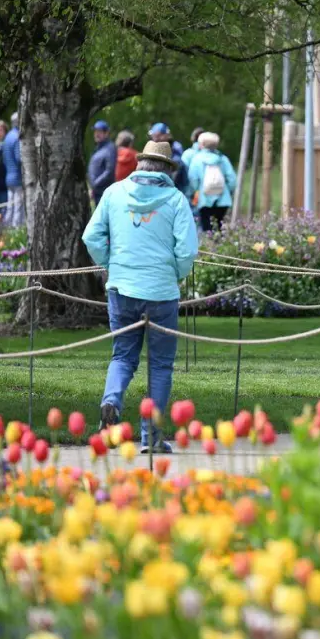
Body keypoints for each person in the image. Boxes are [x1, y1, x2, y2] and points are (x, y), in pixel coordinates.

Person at [86, 140, 199, 451]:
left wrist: (109, 263)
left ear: (140, 165)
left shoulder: (113, 193)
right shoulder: (175, 200)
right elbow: (187, 250)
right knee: (160, 365)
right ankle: (152, 438)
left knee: (123, 356)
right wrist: (176, 272)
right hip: (162, 293)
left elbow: (91, 236)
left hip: (121, 289)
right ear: (166, 170)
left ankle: (112, 401)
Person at [188, 132, 239, 234]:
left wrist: (197, 190)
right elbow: (232, 179)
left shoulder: (197, 159)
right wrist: (227, 191)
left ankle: (208, 247)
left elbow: (193, 179)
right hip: (223, 199)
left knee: (207, 228)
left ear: (201, 144)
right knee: (219, 228)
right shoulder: (222, 159)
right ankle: (219, 246)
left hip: (204, 199)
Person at [149, 124, 191, 194]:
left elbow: (173, 181)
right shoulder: (152, 150)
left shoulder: (176, 151)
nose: (156, 139)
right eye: (154, 136)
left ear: (167, 135)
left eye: (158, 136)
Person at [88, 120, 118, 205]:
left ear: (106, 133)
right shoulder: (97, 149)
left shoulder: (110, 148)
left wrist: (94, 185)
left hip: (105, 193)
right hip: (97, 193)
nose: (96, 134)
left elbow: (109, 171)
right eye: (95, 131)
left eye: (100, 132)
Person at [3, 113, 24, 226]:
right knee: (18, 206)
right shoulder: (17, 137)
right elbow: (19, 158)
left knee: (10, 205)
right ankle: (16, 229)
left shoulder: (8, 136)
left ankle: (7, 228)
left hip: (8, 176)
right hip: (17, 177)